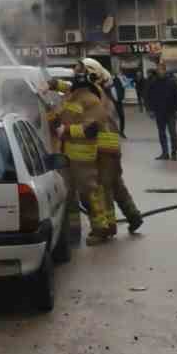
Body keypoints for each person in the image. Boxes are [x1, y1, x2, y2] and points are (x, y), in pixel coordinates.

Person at [53, 72, 110, 246]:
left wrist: (66, 130)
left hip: (84, 156)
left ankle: (100, 229)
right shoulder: (73, 96)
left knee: (90, 193)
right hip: (67, 155)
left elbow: (92, 129)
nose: (72, 90)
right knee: (68, 194)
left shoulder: (92, 101)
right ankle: (74, 231)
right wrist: (50, 84)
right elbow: (65, 88)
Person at [96, 83, 143, 236]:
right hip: (112, 150)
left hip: (103, 151)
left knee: (105, 189)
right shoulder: (105, 98)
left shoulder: (95, 98)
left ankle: (109, 226)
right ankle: (133, 216)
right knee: (117, 185)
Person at [147, 61, 177, 161]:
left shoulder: (171, 82)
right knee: (162, 133)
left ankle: (174, 153)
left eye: (161, 70)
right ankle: (165, 153)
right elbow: (149, 96)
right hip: (159, 112)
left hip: (170, 112)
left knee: (172, 133)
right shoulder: (153, 83)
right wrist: (150, 109)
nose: (160, 71)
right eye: (158, 70)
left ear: (165, 71)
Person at [111, 69, 127, 138]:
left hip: (118, 100)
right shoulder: (113, 80)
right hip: (113, 101)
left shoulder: (121, 79)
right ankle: (116, 132)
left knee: (121, 116)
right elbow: (111, 89)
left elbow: (124, 86)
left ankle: (121, 132)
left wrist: (123, 79)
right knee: (114, 117)